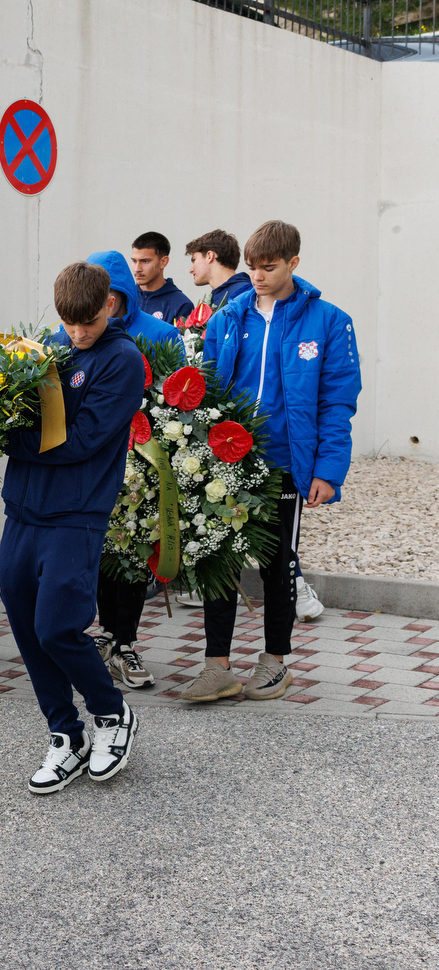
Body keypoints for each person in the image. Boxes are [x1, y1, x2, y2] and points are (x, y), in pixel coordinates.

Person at [179, 221, 361, 704]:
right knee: (218, 559)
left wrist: (327, 470)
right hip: (229, 462)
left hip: (284, 462)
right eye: (253, 268)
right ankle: (216, 667)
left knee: (279, 565)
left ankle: (274, 663)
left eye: (269, 267)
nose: (257, 276)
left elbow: (338, 402)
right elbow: (208, 391)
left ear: (294, 263)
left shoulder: (329, 321)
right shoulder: (228, 317)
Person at [0, 262, 144, 795]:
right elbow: (17, 408)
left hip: (76, 514)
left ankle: (111, 715)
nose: (78, 332)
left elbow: (81, 440)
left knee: (58, 627)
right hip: (24, 510)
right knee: (26, 628)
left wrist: (3, 440)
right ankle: (65, 734)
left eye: (86, 321)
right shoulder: (49, 350)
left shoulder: (122, 360)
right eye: (69, 322)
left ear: (108, 304)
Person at [62, 251, 185, 690]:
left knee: (132, 554)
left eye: (116, 296)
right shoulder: (68, 337)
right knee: (92, 554)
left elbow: (179, 398)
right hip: (89, 466)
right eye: (103, 297)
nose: (107, 306)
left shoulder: (160, 334)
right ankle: (95, 636)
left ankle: (125, 640)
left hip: (143, 461)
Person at [131, 231, 194, 323]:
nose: (137, 269)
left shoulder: (181, 305)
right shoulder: (124, 297)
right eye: (134, 261)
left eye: (145, 261)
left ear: (163, 262)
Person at [186, 228, 254, 310]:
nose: (191, 270)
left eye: (194, 260)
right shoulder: (215, 298)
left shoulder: (245, 294)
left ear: (209, 256)